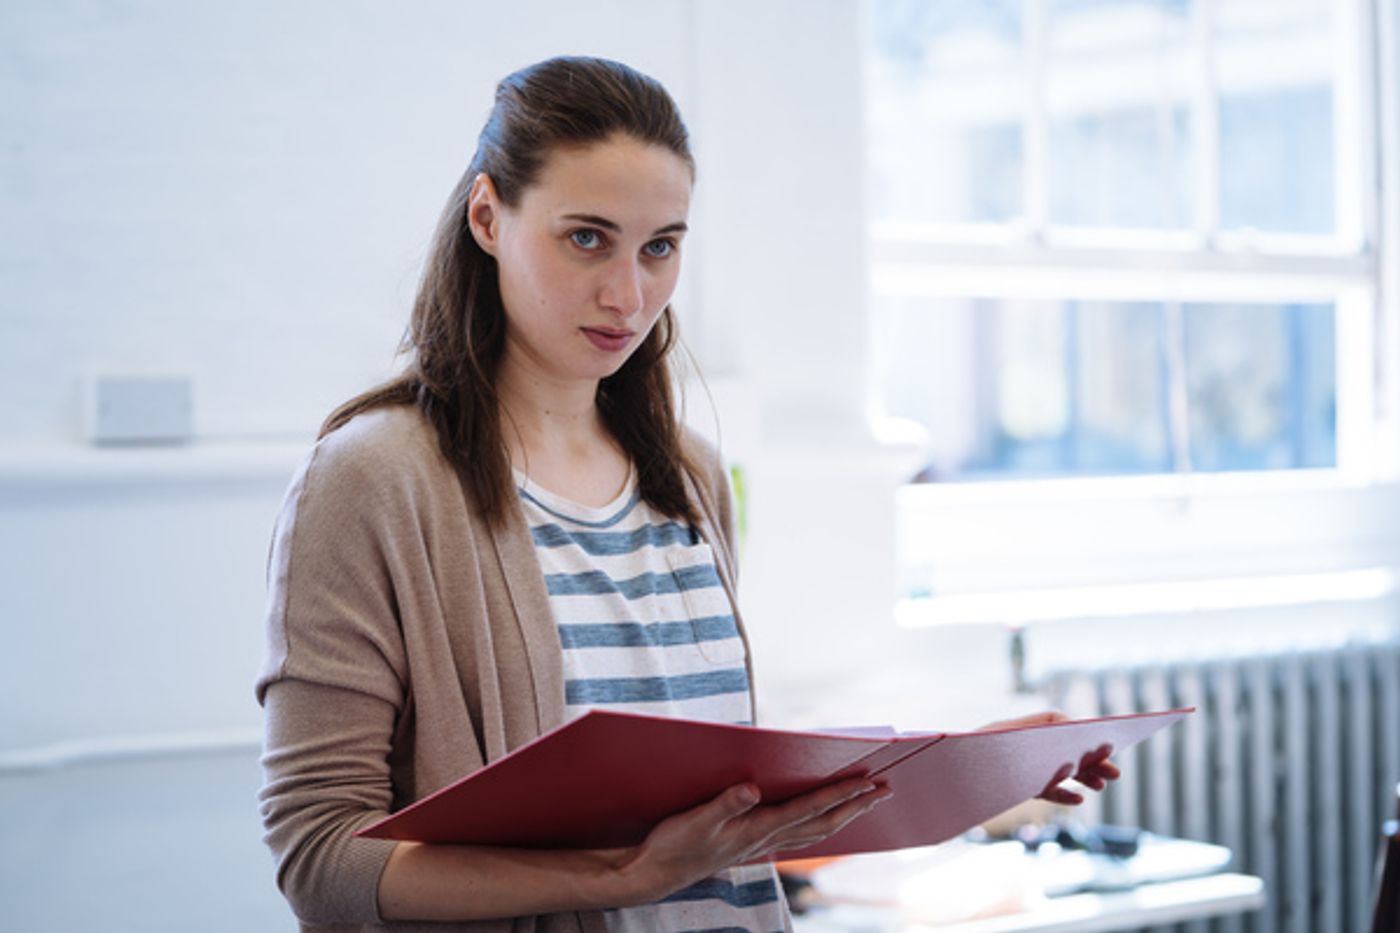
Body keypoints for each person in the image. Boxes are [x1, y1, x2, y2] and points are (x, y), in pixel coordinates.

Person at [256, 55, 1117, 933]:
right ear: (488, 216)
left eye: (659, 247)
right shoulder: (370, 480)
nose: (630, 296)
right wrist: (613, 877)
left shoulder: (689, 474)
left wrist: (970, 779)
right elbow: (323, 856)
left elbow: (712, 808)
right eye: (586, 237)